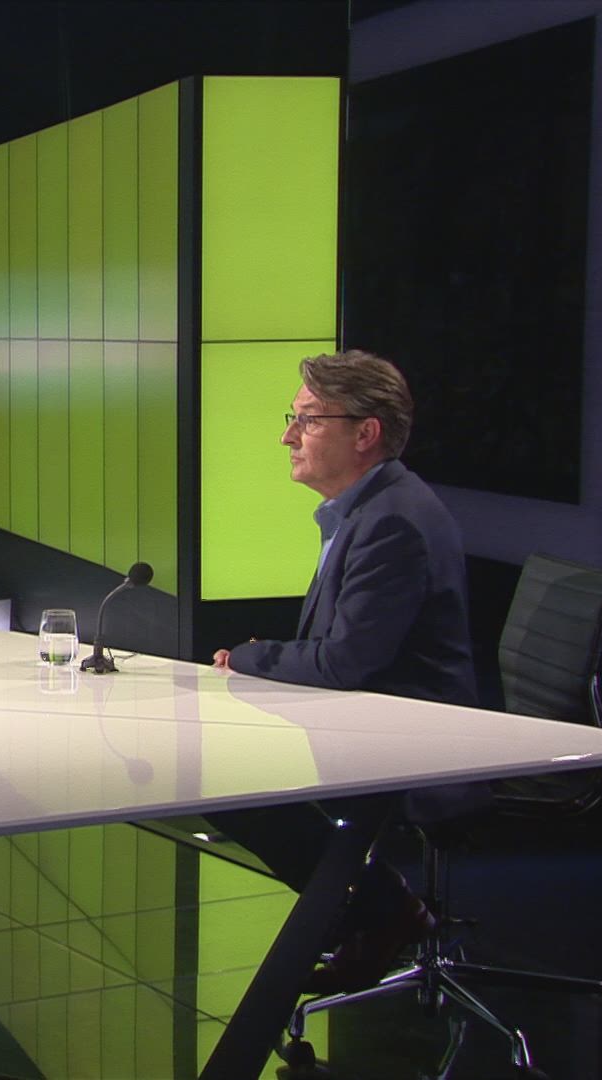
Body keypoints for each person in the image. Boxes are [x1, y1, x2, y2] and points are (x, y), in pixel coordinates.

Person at [207, 349, 481, 994]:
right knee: (230, 768)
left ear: (365, 433)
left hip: (413, 733)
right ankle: (366, 915)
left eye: (307, 420)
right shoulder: (368, 509)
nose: (288, 437)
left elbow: (344, 660)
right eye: (292, 419)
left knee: (230, 780)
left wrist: (248, 656)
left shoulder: (393, 522)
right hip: (374, 713)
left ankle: (381, 913)